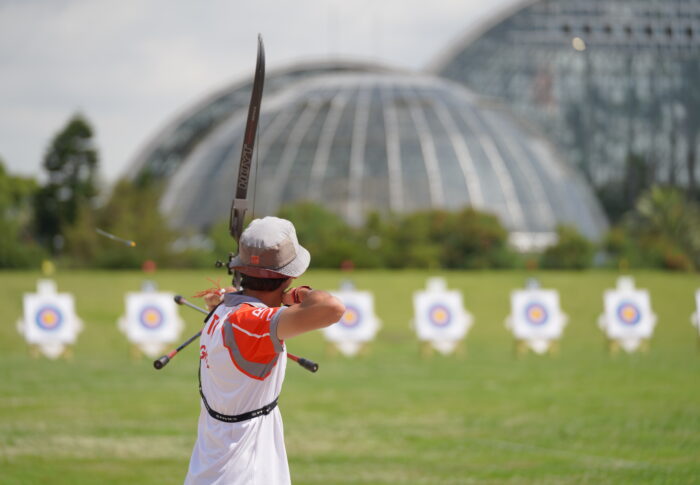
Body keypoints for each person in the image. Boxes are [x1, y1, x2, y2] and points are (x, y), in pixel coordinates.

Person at [184, 216, 345, 485]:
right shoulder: (250, 324)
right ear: (291, 275)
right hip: (244, 475)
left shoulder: (224, 310)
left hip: (209, 470)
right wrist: (294, 295)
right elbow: (332, 308)